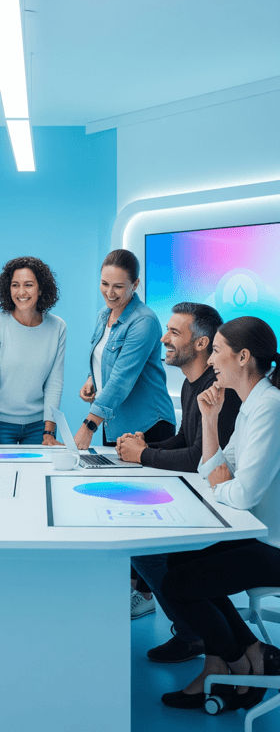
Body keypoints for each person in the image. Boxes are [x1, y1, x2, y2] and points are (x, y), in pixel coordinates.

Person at [158, 316, 280, 711]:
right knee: (177, 561)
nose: (210, 361)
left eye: (218, 352)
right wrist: (210, 420)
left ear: (243, 357)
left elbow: (242, 493)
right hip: (254, 534)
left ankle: (239, 659)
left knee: (179, 584)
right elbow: (209, 470)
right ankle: (247, 653)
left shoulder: (270, 409)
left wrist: (221, 482)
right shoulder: (249, 406)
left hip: (272, 546)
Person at [117, 303, 241, 650]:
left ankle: (195, 635)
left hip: (228, 511)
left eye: (174, 332)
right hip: (206, 497)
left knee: (149, 555)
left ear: (201, 343)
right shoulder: (192, 385)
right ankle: (194, 631)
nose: (163, 338)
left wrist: (143, 455)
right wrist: (146, 445)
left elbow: (198, 457)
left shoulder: (219, 391)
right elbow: (187, 440)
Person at [74, 248, 175, 449]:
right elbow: (105, 356)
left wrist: (88, 426)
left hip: (148, 426)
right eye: (104, 284)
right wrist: (92, 379)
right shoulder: (104, 315)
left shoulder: (143, 321)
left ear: (135, 284)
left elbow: (121, 378)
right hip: (114, 423)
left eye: (118, 286)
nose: (109, 293)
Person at [0, 256, 66, 448]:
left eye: (28, 285)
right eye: (15, 285)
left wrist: (48, 433)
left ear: (40, 288)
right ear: (8, 288)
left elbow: (54, 384)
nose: (21, 292)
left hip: (39, 425)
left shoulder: (57, 327)